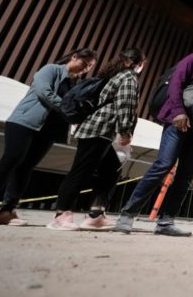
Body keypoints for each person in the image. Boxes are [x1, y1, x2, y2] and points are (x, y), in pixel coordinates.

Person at [115, 32, 193, 236]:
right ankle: (127, 215)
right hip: (178, 122)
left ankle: (165, 221)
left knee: (185, 177)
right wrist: (178, 112)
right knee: (163, 164)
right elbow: (175, 84)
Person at [0, 48, 97, 226]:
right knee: (10, 161)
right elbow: (44, 91)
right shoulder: (51, 70)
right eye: (83, 63)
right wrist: (66, 108)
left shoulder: (75, 85)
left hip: (48, 131)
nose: (85, 68)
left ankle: (7, 212)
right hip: (24, 122)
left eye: (89, 66)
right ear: (74, 57)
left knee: (26, 168)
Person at [47, 48, 145, 231]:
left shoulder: (115, 76)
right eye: (141, 64)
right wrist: (125, 131)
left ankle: (96, 214)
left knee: (111, 168)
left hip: (100, 129)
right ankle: (61, 214)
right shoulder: (129, 77)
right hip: (99, 129)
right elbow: (126, 105)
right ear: (137, 64)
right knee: (81, 170)